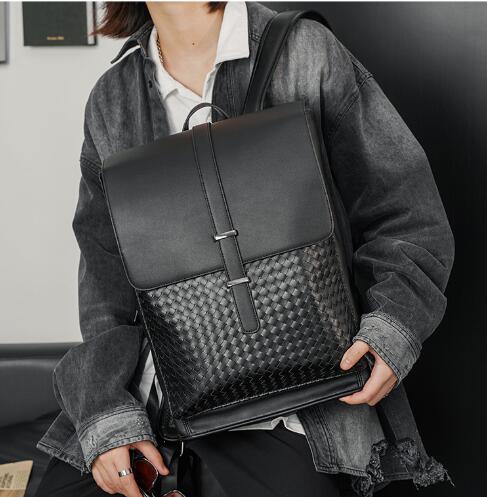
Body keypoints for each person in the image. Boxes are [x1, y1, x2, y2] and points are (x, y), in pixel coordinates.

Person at [35, 2, 455, 497]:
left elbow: (406, 211)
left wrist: (391, 328)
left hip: (302, 402)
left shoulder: (304, 53)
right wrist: (106, 413)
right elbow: (106, 286)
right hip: (153, 407)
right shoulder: (112, 98)